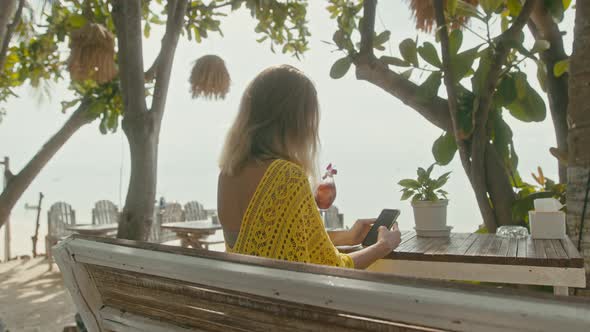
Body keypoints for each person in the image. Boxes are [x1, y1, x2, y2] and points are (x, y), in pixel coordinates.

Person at [217, 65, 401, 269]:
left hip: (249, 293)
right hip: (282, 298)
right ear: (297, 120)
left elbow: (276, 242)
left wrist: (348, 236)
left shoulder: (228, 173)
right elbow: (331, 268)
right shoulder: (285, 176)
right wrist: (384, 246)